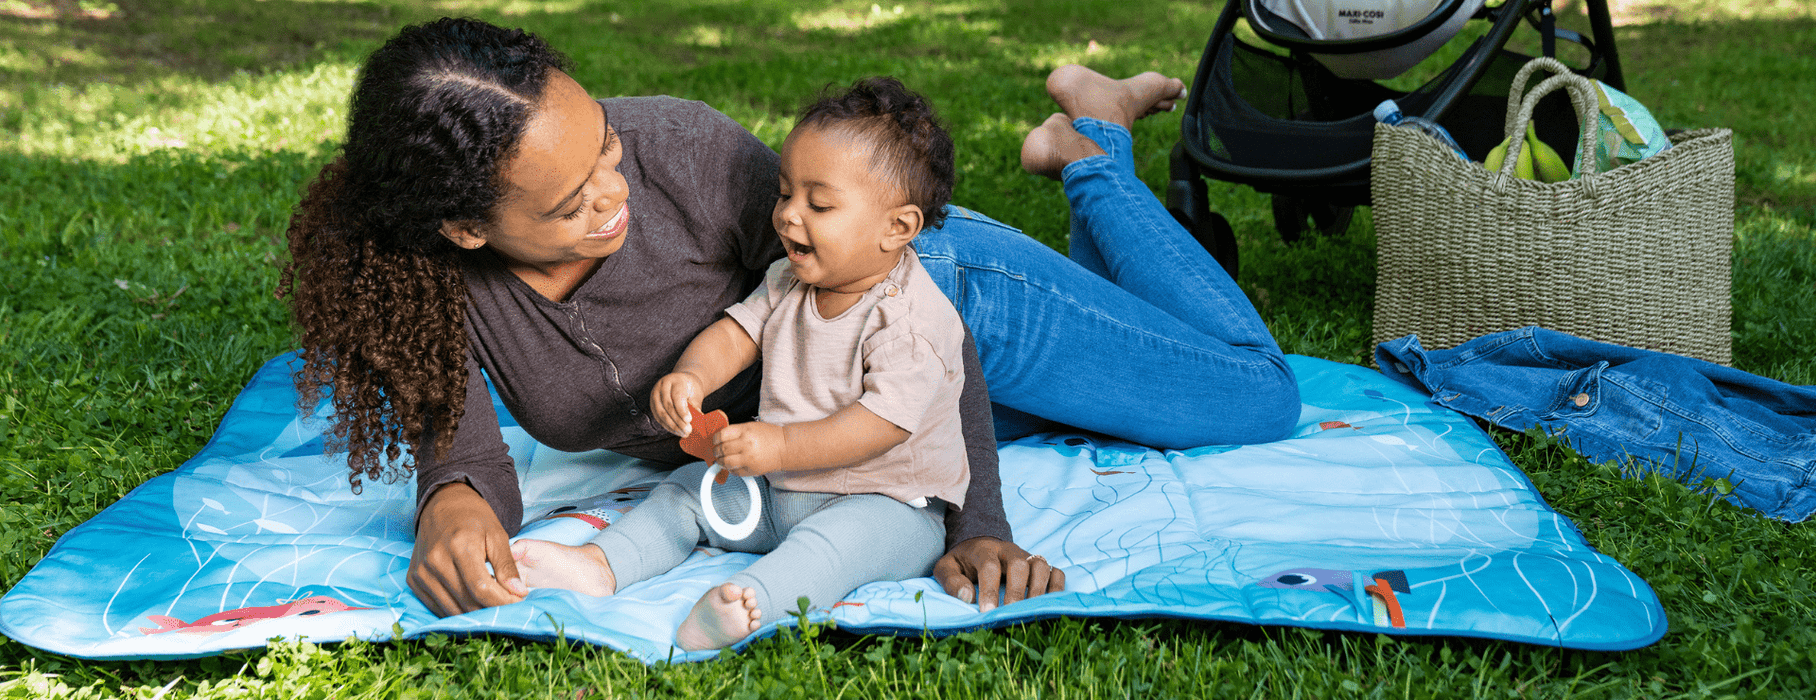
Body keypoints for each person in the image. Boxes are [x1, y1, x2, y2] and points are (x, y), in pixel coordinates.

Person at [280, 18, 1299, 620]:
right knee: (1116, 405)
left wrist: (972, 523)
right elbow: (460, 449)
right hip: (844, 421)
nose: (613, 185)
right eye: (569, 201)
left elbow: (912, 330)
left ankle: (1093, 152)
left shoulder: (684, 152)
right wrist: (451, 506)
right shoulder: (425, 290)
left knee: (1256, 394)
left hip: (953, 298)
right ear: (464, 228)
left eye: (600, 143)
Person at [510, 77, 973, 650]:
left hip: (888, 505)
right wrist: (691, 376)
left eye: (819, 204)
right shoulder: (789, 279)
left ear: (897, 228)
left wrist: (779, 446)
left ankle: (750, 602)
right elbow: (736, 333)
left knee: (830, 550)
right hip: (777, 489)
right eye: (785, 194)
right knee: (684, 496)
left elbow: (881, 426)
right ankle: (602, 565)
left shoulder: (912, 322)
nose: (787, 216)